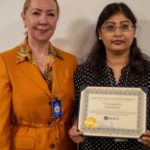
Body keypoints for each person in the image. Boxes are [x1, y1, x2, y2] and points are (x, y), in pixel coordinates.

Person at [68, 2, 150, 150]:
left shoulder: (148, 72)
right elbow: (75, 113)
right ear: (100, 32)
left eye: (125, 26)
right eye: (110, 27)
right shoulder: (83, 72)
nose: (118, 33)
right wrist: (75, 128)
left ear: (135, 31)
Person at [0, 0, 77, 149]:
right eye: (36, 13)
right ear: (24, 18)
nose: (43, 21)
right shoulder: (4, 62)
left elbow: (75, 108)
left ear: (56, 19)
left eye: (51, 14)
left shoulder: (70, 61)